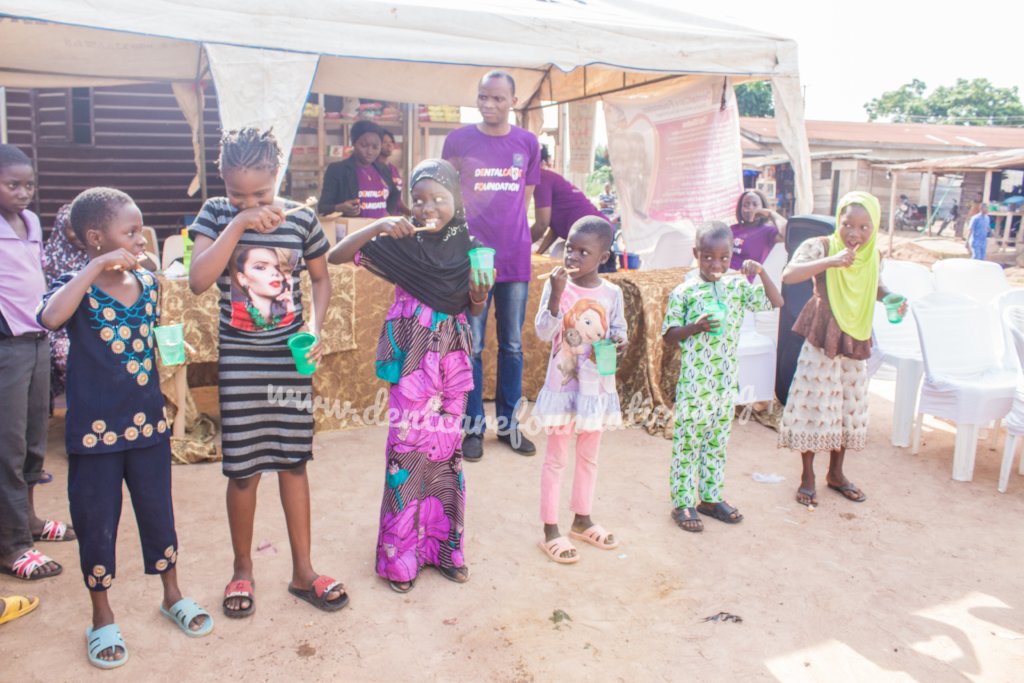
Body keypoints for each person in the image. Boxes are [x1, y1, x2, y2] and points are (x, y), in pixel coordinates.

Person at [37, 187, 213, 669]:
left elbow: (156, 337)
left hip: (147, 426)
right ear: (96, 238)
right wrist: (94, 268)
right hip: (94, 434)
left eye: (140, 230)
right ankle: (102, 616)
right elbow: (50, 317)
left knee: (158, 511)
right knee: (97, 521)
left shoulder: (149, 284)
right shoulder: (76, 286)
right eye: (130, 232)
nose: (141, 239)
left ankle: (172, 594)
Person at [189, 128, 347, 617]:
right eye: (238, 194)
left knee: (294, 462)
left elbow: (320, 279)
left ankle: (303, 572)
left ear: (277, 176)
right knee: (243, 471)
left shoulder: (301, 219)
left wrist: (315, 327)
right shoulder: (216, 215)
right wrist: (238, 222)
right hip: (240, 363)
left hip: (288, 361)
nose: (250, 203)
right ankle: (242, 569)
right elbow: (198, 280)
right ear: (223, 182)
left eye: (259, 194)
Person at [329, 159, 491, 592]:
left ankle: (443, 550)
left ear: (456, 199)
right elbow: (336, 255)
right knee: (406, 453)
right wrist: (378, 225)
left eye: (439, 198)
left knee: (445, 455)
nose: (428, 207)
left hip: (451, 359)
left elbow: (473, 306)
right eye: (418, 200)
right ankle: (398, 558)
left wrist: (479, 295)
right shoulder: (403, 241)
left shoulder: (470, 245)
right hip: (412, 359)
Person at [778, 191, 906, 507]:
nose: (854, 233)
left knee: (848, 405)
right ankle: (807, 476)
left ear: (874, 227)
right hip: (823, 330)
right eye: (847, 224)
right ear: (839, 221)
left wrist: (890, 297)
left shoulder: (874, 255)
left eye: (864, 227)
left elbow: (873, 285)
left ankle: (836, 474)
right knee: (814, 402)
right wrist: (830, 261)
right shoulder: (821, 246)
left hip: (855, 332)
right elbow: (789, 275)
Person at [442, 69, 542, 460]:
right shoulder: (458, 140)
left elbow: (523, 200)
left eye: (498, 98)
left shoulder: (527, 143)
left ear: (513, 102)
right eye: (484, 96)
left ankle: (509, 426)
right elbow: (444, 196)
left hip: (515, 257)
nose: (489, 104)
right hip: (471, 259)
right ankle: (472, 429)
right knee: (473, 344)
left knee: (512, 345)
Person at [661, 222, 783, 532]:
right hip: (695, 384)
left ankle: (711, 498)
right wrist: (695, 327)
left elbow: (776, 302)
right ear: (696, 254)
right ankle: (683, 502)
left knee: (717, 442)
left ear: (732, 256)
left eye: (723, 258)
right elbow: (669, 336)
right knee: (688, 444)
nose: (716, 265)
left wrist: (762, 272)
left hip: (725, 382)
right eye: (707, 257)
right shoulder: (684, 292)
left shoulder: (738, 287)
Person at [0, 144, 74, 583]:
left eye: (29, 185)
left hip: (36, 339)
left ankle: (27, 520)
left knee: (33, 440)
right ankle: (11, 545)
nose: (23, 193)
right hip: (6, 343)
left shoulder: (29, 223)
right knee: (6, 447)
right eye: (12, 185)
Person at [534, 217, 627, 563]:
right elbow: (544, 332)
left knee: (589, 456)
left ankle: (582, 519)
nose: (572, 256)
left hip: (595, 389)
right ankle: (550, 529)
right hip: (563, 386)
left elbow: (619, 329)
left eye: (582, 251)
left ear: (603, 257)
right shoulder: (557, 287)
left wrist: (619, 341)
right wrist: (556, 297)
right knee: (556, 459)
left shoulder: (612, 293)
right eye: (569, 248)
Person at [42, 203, 89, 403]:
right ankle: (82, 405)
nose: (79, 235)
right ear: (61, 229)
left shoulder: (99, 256)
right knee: (68, 354)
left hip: (95, 324)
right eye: (72, 229)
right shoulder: (49, 259)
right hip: (61, 329)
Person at [531, 146, 609, 257]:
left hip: (594, 234)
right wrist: (539, 253)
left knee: (568, 261)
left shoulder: (541, 178)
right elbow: (556, 228)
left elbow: (541, 225)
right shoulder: (550, 178)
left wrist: (517, 245)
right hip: (599, 232)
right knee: (558, 254)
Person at [318, 120, 401, 219]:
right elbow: (322, 208)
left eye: (375, 147)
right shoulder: (338, 170)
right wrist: (339, 208)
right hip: (354, 228)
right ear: (354, 143)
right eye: (364, 146)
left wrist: (388, 213)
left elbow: (394, 194)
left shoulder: (383, 169)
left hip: (381, 228)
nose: (370, 152)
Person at [730, 189, 787, 278]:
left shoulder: (768, 231)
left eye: (755, 204)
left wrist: (770, 213)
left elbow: (786, 234)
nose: (750, 208)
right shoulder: (732, 230)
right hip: (728, 279)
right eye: (746, 205)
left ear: (763, 207)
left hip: (751, 282)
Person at [378, 130, 404, 194]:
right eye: (384, 142)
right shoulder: (373, 168)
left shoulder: (394, 169)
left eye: (391, 142)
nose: (389, 145)